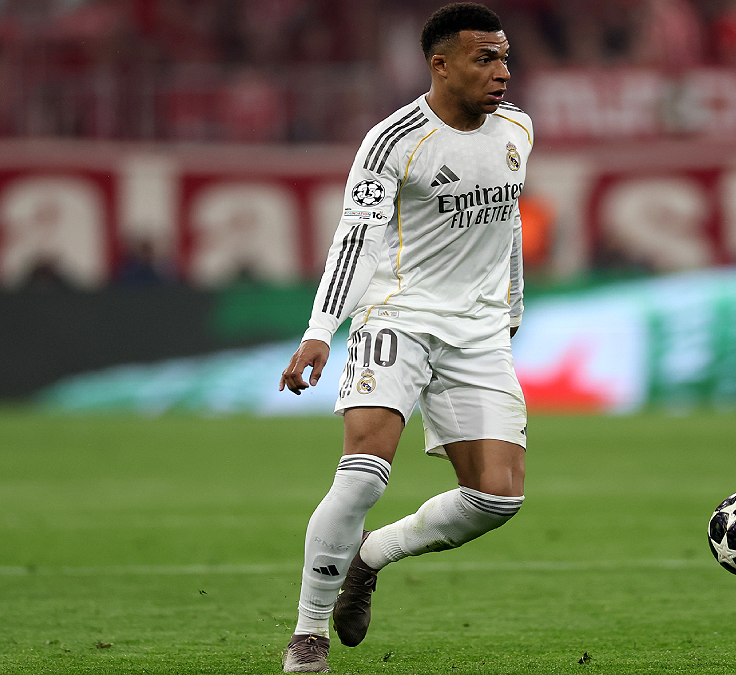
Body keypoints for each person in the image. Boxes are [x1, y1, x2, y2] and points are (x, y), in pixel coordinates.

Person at [277, 4, 531, 672]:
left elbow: (507, 225)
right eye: (486, 59)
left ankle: (368, 558)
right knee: (363, 475)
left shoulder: (518, 130)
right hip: (399, 317)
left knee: (497, 497)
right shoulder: (392, 140)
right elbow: (353, 238)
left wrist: (513, 305)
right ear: (439, 64)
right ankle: (308, 634)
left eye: (505, 58)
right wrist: (319, 330)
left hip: (478, 331)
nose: (503, 73)